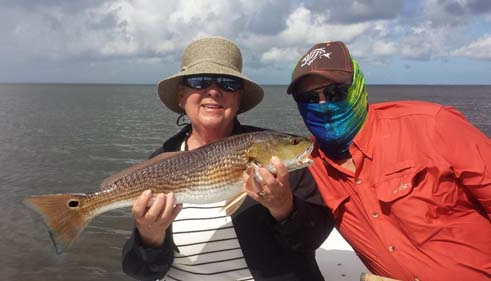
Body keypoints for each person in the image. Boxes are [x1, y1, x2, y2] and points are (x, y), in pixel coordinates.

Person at [121, 36, 334, 281]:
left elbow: (313, 238)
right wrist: (150, 235)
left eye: (228, 83)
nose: (213, 91)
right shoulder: (160, 163)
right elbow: (140, 271)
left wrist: (284, 208)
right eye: (198, 81)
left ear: (239, 98)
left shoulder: (278, 157)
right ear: (181, 95)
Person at [286, 41, 491, 281]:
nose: (323, 104)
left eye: (334, 93)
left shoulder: (433, 124)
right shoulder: (308, 160)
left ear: (358, 87)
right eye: (309, 97)